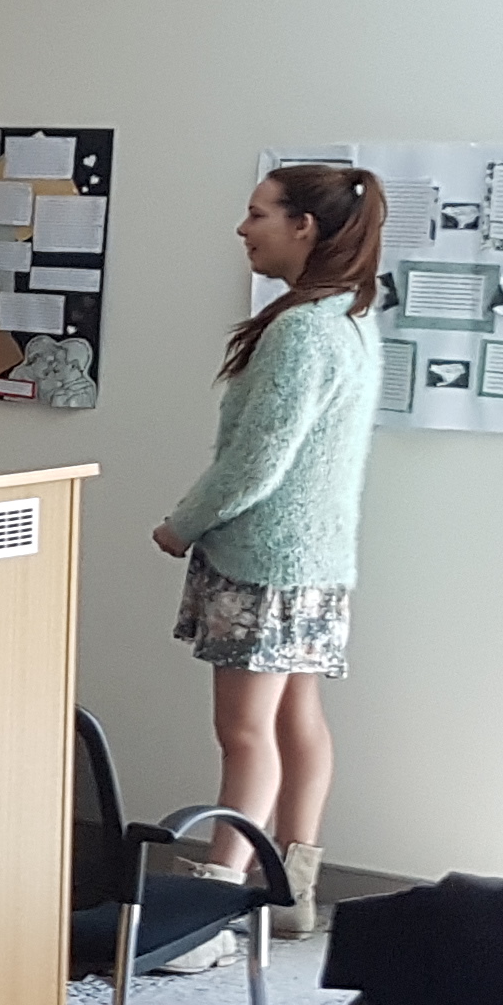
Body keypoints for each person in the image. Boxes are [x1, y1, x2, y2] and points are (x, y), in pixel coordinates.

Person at [150, 164, 386, 936]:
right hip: (316, 562)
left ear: (302, 226)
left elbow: (257, 462)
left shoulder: (301, 330)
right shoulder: (351, 319)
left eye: (257, 214)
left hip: (265, 563)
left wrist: (183, 524)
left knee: (245, 733)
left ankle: (215, 901)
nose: (243, 229)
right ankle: (292, 891)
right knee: (296, 720)